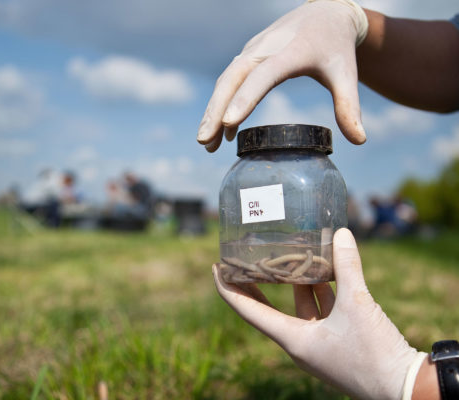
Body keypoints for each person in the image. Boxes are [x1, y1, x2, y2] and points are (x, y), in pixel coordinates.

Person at [197, 1, 459, 399]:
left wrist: (417, 385)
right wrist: (357, 25)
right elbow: (451, 62)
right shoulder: (252, 176)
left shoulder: (317, 173)